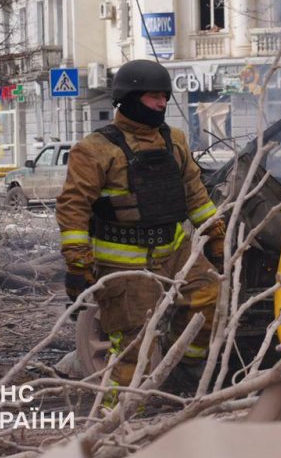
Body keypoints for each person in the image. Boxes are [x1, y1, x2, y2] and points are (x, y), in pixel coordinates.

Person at [55, 59, 224, 400]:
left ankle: (183, 368)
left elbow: (195, 194)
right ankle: (120, 418)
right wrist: (77, 263)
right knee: (134, 348)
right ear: (130, 99)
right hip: (126, 265)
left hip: (175, 251)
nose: (162, 103)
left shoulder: (174, 140)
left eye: (164, 97)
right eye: (153, 97)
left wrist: (215, 235)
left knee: (210, 297)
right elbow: (73, 208)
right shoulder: (95, 150)